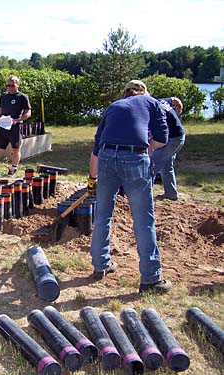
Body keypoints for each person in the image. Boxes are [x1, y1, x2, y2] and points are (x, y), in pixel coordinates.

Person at [87, 79, 172, 294]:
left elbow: (97, 146)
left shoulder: (113, 106)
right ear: (143, 92)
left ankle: (100, 265)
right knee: (144, 219)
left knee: (102, 215)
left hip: (106, 157)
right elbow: (163, 138)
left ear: (125, 93)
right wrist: (143, 150)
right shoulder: (151, 102)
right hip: (134, 158)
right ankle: (151, 278)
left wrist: (92, 178)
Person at [0, 75, 31, 176]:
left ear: (18, 85)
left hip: (15, 127)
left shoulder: (22, 97)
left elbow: (28, 113)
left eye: (12, 85)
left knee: (15, 149)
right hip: (3, 126)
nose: (10, 87)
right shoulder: (4, 96)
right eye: (8, 85)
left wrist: (18, 120)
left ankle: (13, 168)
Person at [151, 97, 186, 201]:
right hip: (179, 136)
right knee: (166, 165)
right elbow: (175, 99)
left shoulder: (152, 108)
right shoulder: (161, 101)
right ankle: (171, 194)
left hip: (172, 139)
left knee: (151, 165)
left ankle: (143, 195)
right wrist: (179, 106)